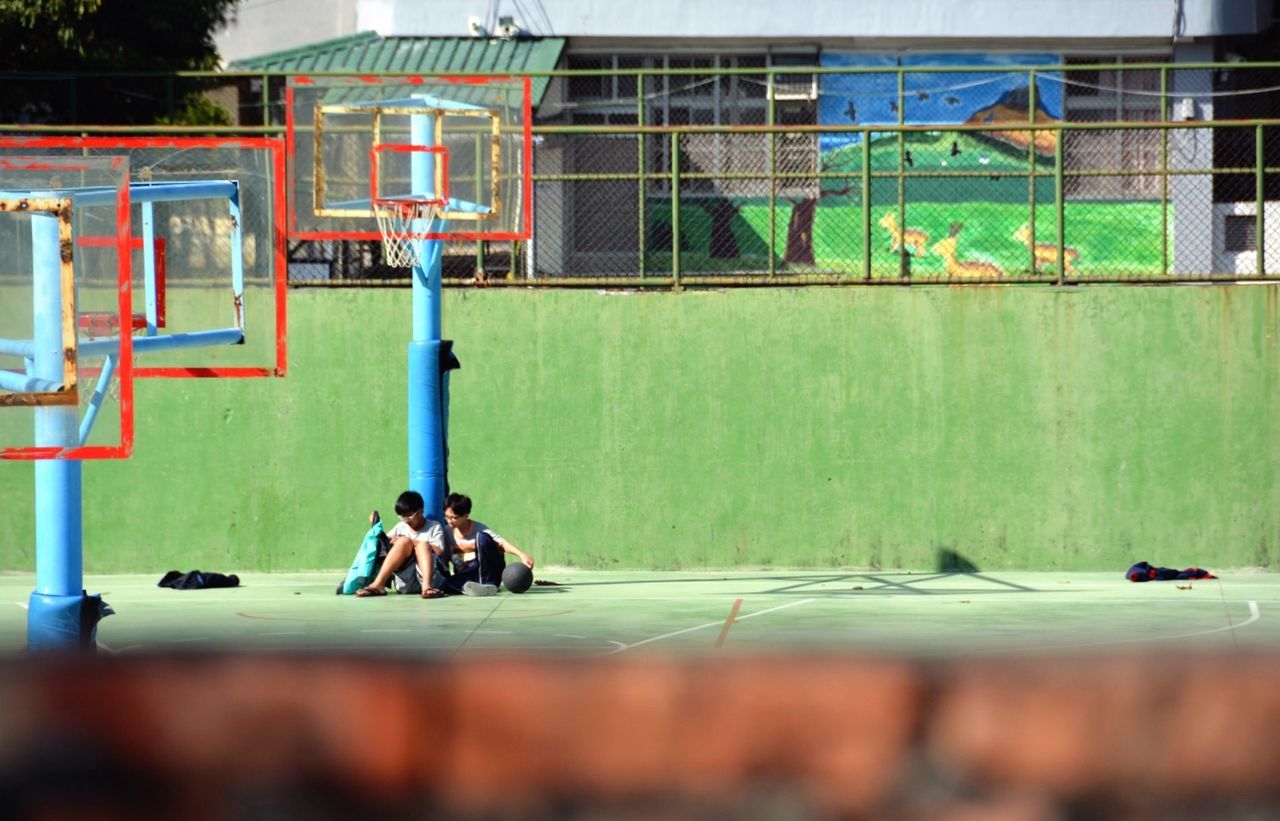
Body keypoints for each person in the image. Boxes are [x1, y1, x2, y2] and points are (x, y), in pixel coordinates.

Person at [355, 490, 449, 599]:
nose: (406, 520)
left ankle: (427, 587)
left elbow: (439, 552)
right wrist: (376, 527)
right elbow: (385, 545)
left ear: (421, 512)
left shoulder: (434, 526)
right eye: (402, 517)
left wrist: (413, 542)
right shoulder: (400, 527)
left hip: (433, 579)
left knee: (422, 545)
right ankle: (378, 584)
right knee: (403, 542)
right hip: (406, 582)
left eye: (409, 516)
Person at [441, 492, 534, 596]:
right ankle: (469, 588)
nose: (449, 521)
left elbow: (502, 543)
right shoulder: (446, 533)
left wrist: (522, 555)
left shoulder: (479, 529)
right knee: (447, 582)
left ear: (466, 515)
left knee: (482, 538)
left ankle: (488, 585)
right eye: (446, 517)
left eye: (454, 517)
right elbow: (443, 558)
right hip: (467, 576)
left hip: (489, 574)